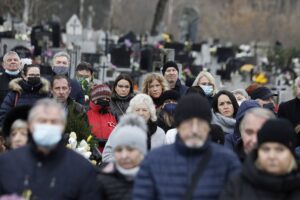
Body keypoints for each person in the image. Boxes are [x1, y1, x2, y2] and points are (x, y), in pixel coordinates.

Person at [133, 94, 241, 200]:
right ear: (178, 126)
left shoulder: (227, 161)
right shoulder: (154, 161)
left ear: (208, 126)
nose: (194, 130)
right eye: (188, 123)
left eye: (200, 123)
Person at [0, 98, 100, 199]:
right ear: (30, 126)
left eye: (54, 122)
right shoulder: (7, 163)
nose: (48, 126)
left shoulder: (82, 168)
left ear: (63, 126)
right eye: (42, 121)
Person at [220, 119, 300, 200]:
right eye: (266, 149)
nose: (271, 156)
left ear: (291, 152)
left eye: (279, 149)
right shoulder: (237, 184)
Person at [102, 94, 165, 162]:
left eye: (144, 110)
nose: (141, 113)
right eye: (137, 110)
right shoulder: (121, 129)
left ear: (151, 112)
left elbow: (165, 160)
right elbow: (107, 156)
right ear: (132, 112)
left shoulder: (159, 133)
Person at [98, 114, 147, 200]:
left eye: (130, 149)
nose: (124, 156)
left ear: (141, 152)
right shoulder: (100, 182)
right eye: (119, 150)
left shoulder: (153, 180)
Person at [87, 84, 117, 152]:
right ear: (95, 98)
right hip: (91, 154)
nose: (106, 100)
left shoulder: (112, 115)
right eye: (103, 98)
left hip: (109, 155)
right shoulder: (86, 113)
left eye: (107, 98)